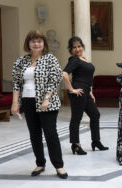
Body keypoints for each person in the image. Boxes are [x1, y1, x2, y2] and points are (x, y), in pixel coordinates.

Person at [11, 30, 68, 179]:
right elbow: (16, 83)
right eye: (33, 41)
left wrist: (47, 98)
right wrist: (15, 102)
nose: (36, 44)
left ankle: (59, 166)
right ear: (28, 44)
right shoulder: (21, 61)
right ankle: (40, 163)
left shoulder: (50, 59)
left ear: (44, 44)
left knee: (50, 134)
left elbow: (55, 79)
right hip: (28, 100)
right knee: (34, 134)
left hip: (46, 102)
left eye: (39, 41)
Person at [62, 36, 108, 155]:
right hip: (78, 92)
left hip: (86, 92)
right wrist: (71, 89)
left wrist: (90, 92)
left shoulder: (84, 59)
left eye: (79, 46)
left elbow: (88, 78)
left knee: (95, 115)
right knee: (76, 118)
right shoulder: (74, 60)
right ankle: (76, 145)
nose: (77, 49)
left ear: (82, 47)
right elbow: (64, 74)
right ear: (71, 50)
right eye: (74, 47)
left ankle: (96, 141)